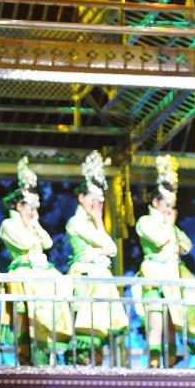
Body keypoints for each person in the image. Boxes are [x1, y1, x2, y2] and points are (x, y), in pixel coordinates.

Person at [0, 156, 72, 365]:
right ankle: (26, 359)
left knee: (50, 313)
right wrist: (31, 227)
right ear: (18, 206)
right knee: (25, 319)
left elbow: (47, 243)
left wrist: (36, 224)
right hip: (22, 274)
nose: (32, 212)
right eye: (28, 207)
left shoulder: (32, 223)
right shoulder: (8, 225)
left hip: (42, 274)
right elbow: (24, 244)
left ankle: (48, 353)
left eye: (34, 208)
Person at [134, 155, 195, 368]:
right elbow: (159, 239)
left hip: (172, 276)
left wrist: (174, 239)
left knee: (173, 325)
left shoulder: (171, 226)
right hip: (154, 276)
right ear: (155, 202)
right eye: (166, 204)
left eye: (172, 205)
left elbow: (187, 244)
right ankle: (153, 366)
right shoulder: (145, 221)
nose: (169, 209)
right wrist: (169, 231)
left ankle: (171, 365)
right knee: (156, 325)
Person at [66, 151, 129, 365]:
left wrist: (99, 222)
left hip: (99, 276)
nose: (96, 203)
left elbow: (109, 249)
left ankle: (100, 368)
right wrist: (102, 249)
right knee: (87, 327)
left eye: (99, 199)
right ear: (81, 198)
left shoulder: (92, 222)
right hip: (86, 278)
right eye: (92, 198)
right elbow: (110, 247)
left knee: (103, 324)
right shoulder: (77, 222)